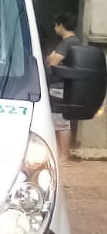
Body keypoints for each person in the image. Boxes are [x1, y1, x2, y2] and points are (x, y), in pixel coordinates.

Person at [48, 12, 79, 155]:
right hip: (61, 87)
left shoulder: (69, 43)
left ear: (61, 25)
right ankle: (61, 154)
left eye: (55, 25)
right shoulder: (71, 42)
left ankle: (64, 156)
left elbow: (52, 61)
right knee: (58, 122)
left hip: (61, 87)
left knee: (62, 123)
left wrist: (50, 59)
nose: (54, 28)